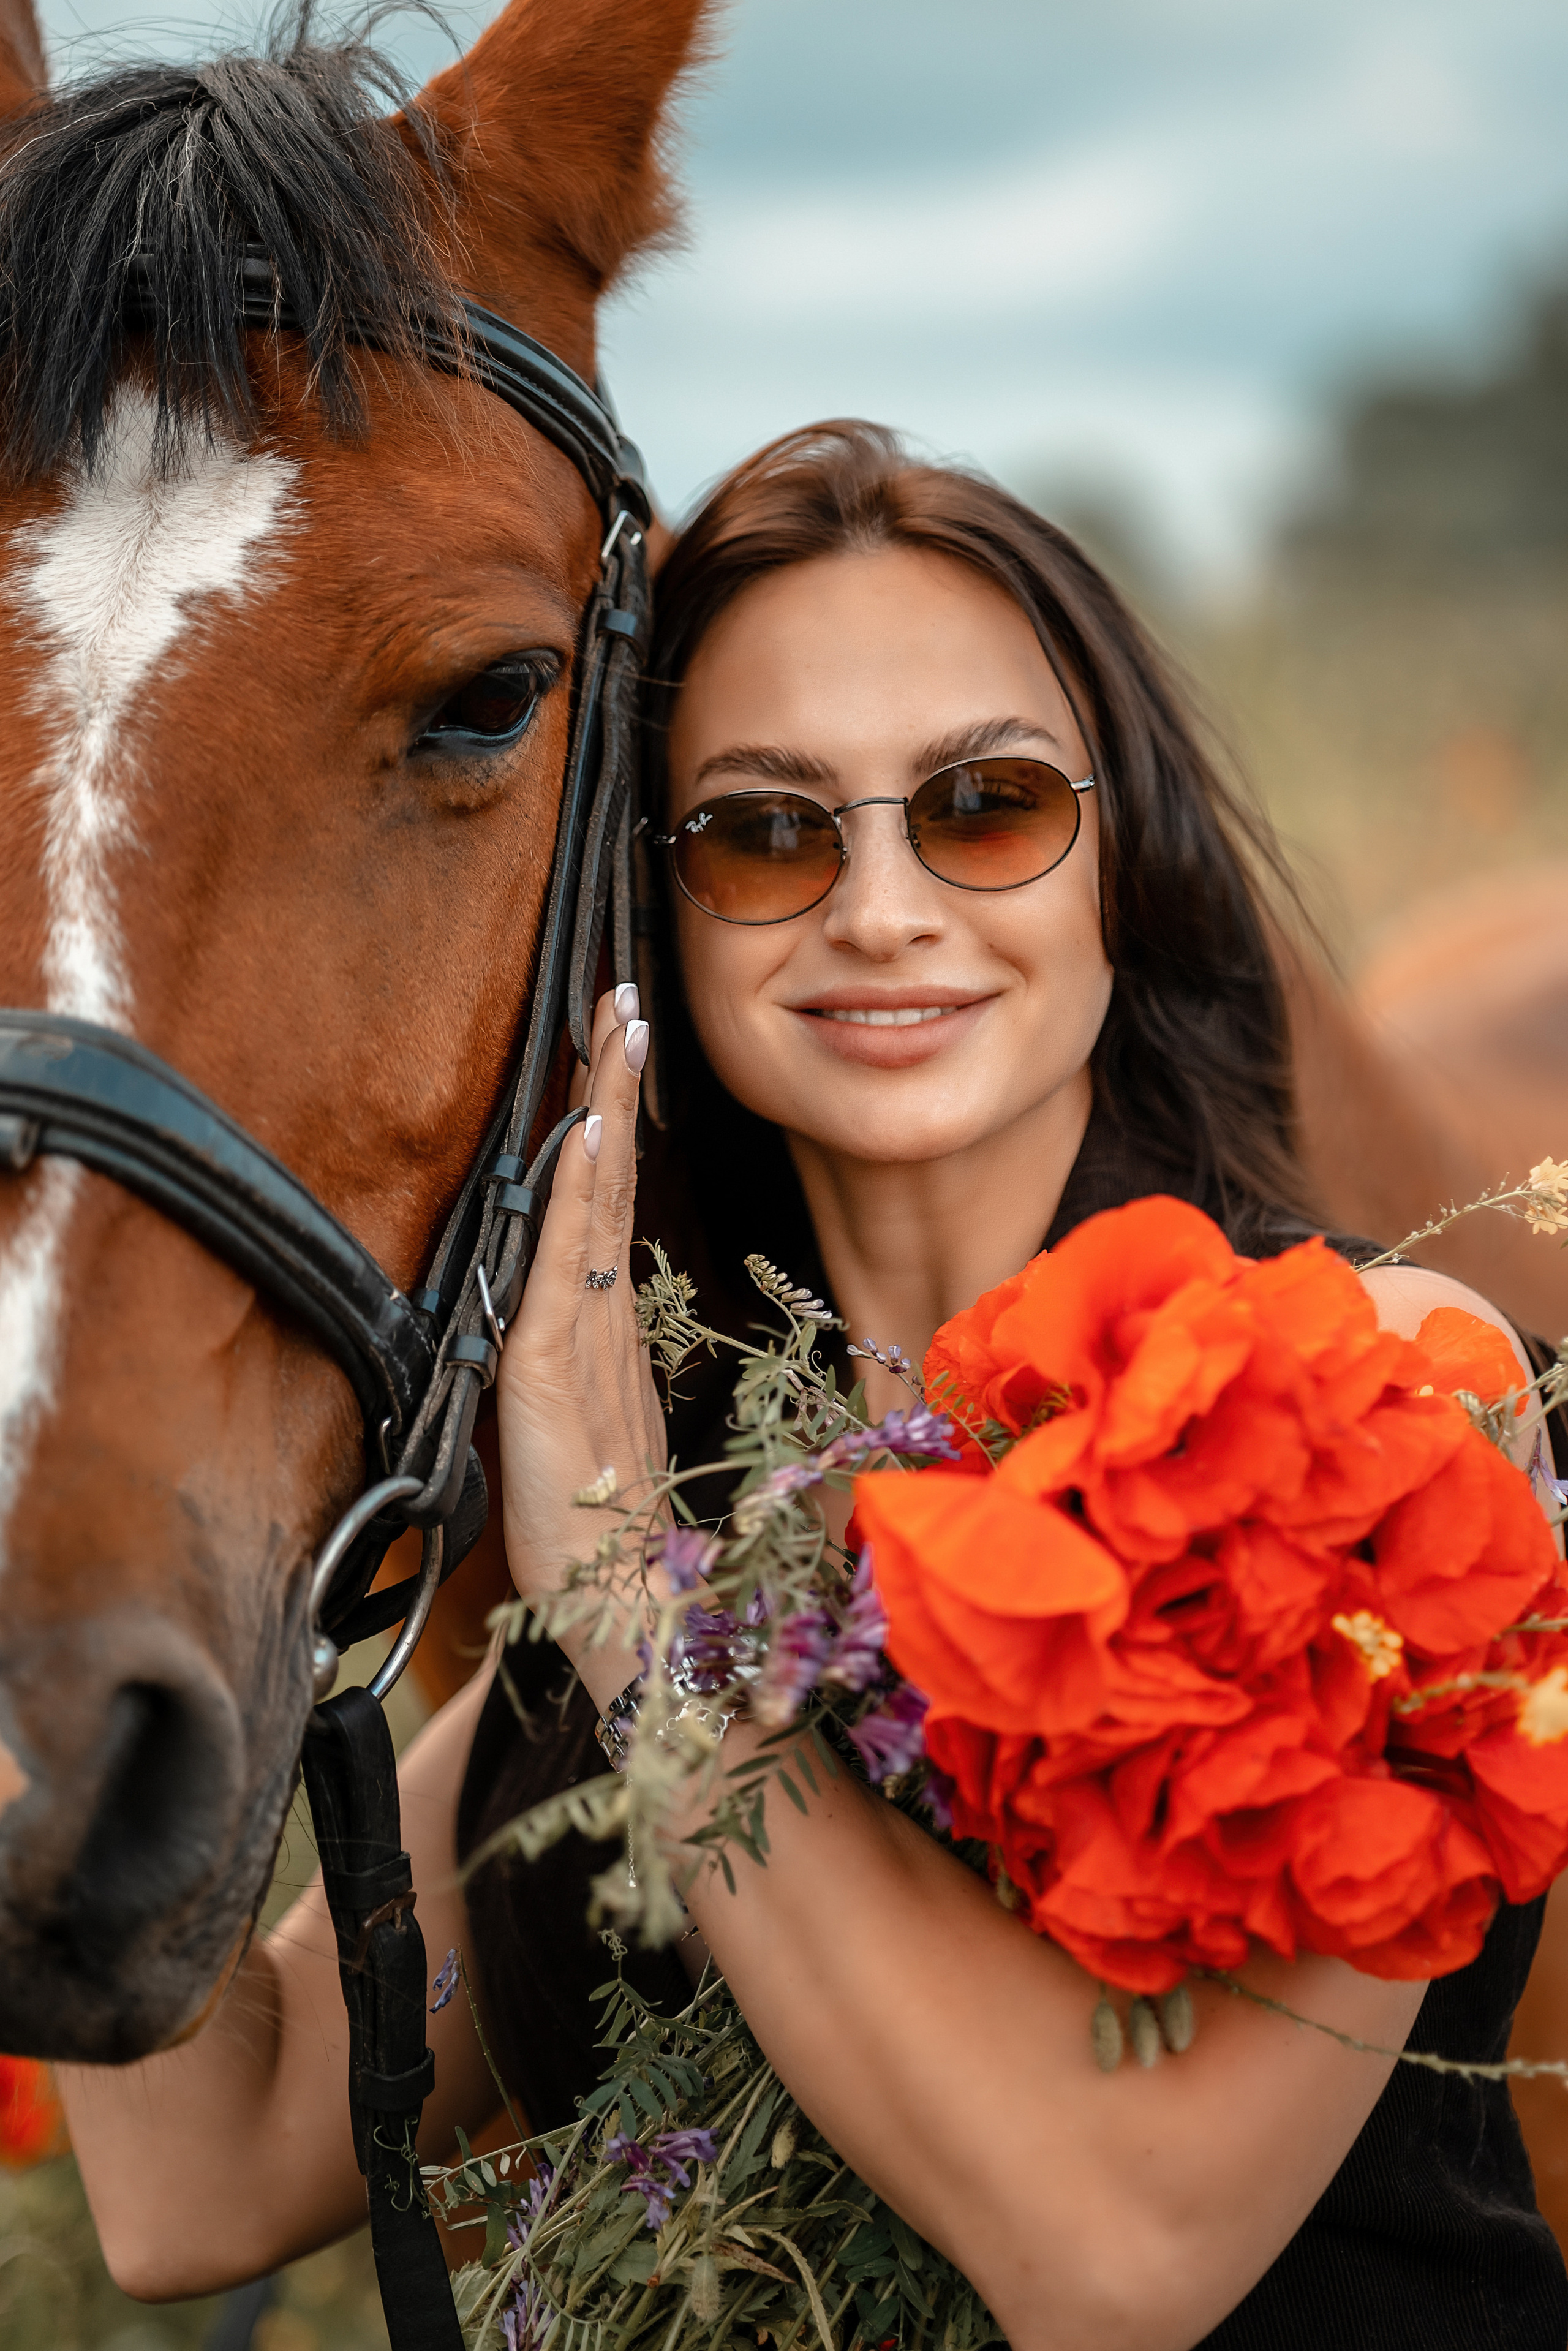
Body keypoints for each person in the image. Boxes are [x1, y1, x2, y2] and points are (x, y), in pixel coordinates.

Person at [62, 423, 1568, 2350]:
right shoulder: (668, 1504)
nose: (879, 909)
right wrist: (85, 1475)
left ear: (1126, 859)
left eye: (989, 807)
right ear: (655, 916)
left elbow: (1122, 2257)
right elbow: (210, 2165)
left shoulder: (1399, 1389)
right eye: (767, 833)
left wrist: (628, 1604)